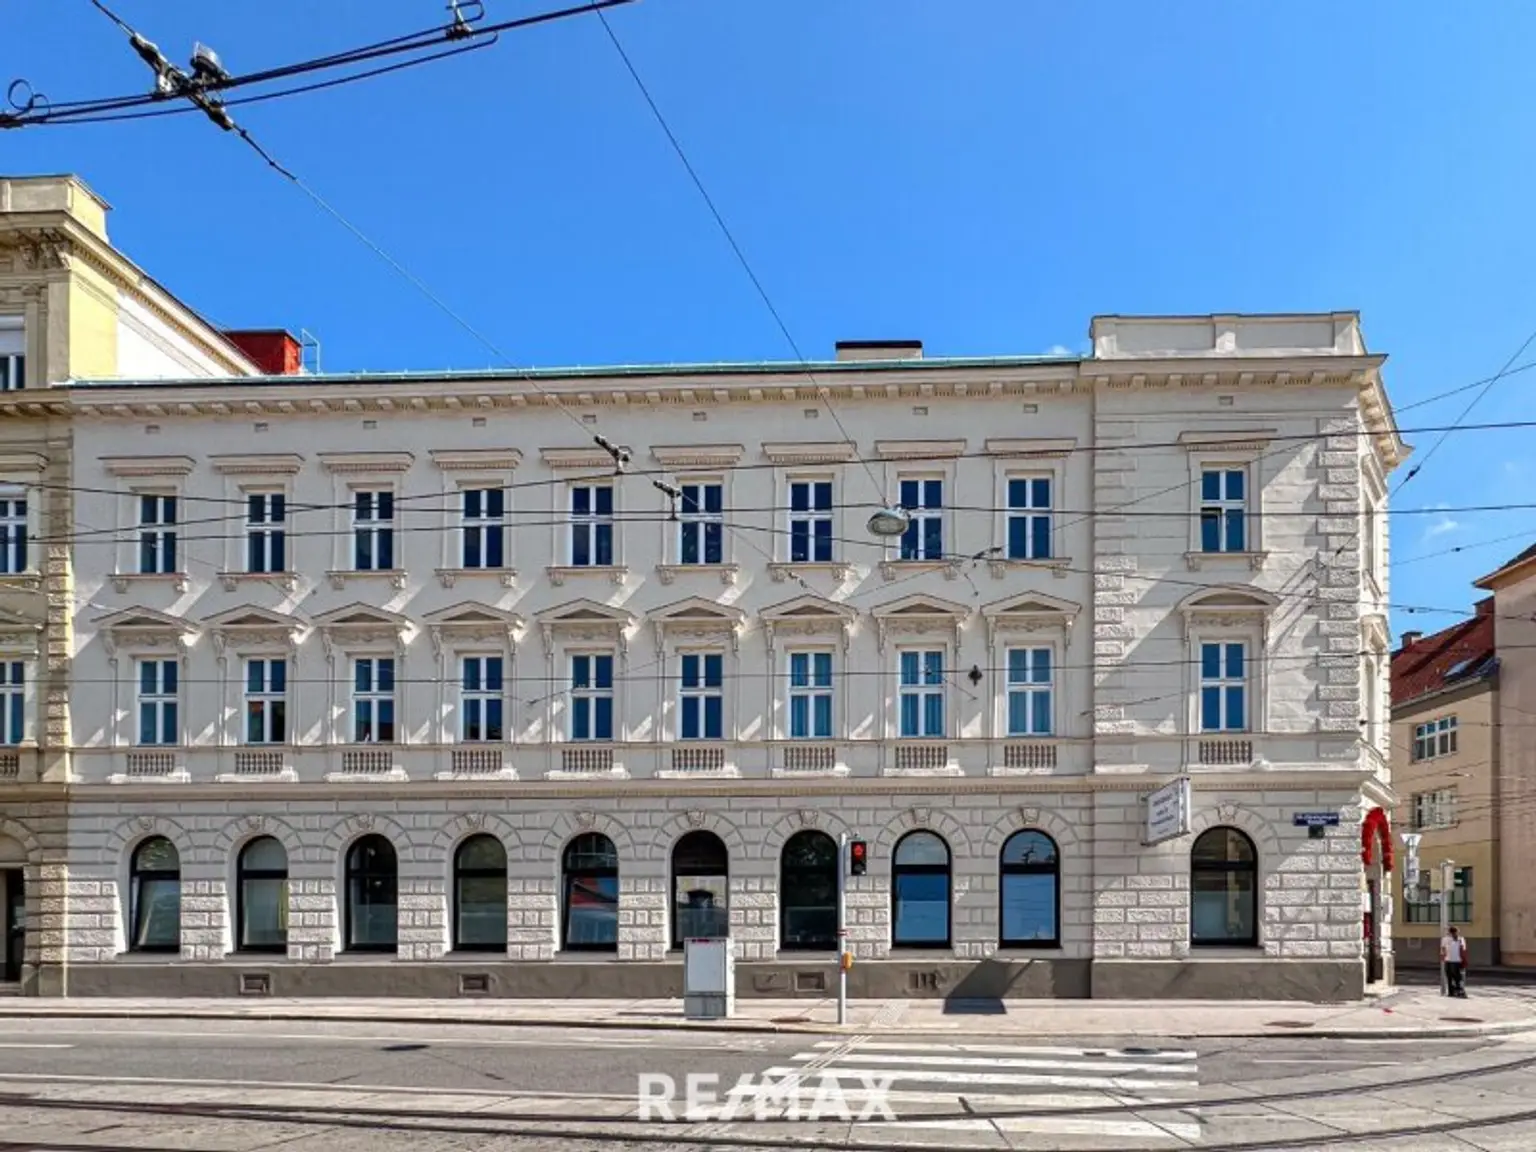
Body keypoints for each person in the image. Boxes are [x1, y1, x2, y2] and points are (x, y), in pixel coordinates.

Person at [1441, 925, 1468, 997]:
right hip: (1457, 961)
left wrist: (1443, 957)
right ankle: (1459, 991)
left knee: (1450, 977)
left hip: (1449, 960)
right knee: (1457, 977)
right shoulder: (1461, 939)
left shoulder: (1445, 939)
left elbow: (1443, 950)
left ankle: (1452, 992)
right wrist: (1464, 960)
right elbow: (1464, 950)